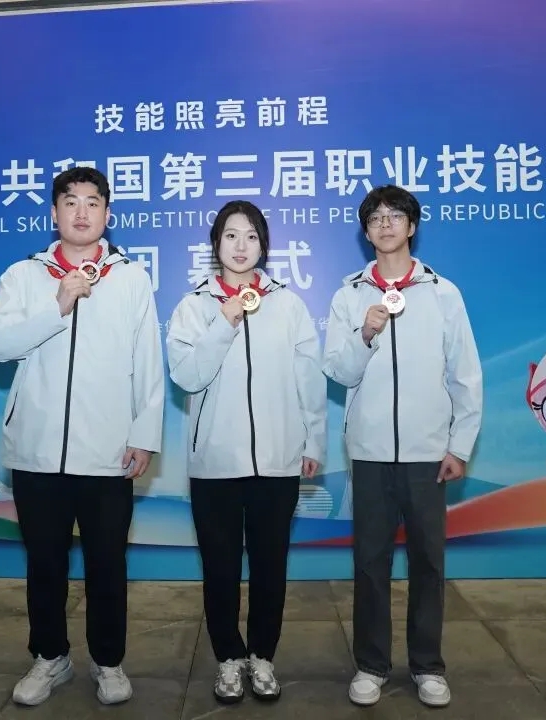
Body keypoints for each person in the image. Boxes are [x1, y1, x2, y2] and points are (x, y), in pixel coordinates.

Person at [0, 166, 165, 707]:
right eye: (70, 201)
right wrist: (56, 305)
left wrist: (144, 434)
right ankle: (50, 657)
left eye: (92, 202)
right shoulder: (23, 276)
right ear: (54, 212)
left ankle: (108, 661)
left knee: (108, 564)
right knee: (45, 563)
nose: (81, 212)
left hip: (108, 452)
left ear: (108, 213)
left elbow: (147, 362)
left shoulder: (130, 278)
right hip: (36, 451)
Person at [322, 185, 482, 709]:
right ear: (365, 232)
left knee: (428, 562)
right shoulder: (349, 295)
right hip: (370, 453)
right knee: (370, 563)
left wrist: (459, 444)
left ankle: (427, 666)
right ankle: (371, 665)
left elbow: (465, 374)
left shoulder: (443, 293)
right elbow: (337, 371)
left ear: (412, 226)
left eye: (395, 216)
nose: (385, 224)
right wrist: (364, 335)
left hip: (427, 452)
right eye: (375, 218)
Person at [166, 200, 327, 705]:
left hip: (277, 462)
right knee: (219, 569)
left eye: (251, 236)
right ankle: (228, 659)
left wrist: (313, 440)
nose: (241, 246)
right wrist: (225, 321)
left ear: (264, 245)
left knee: (269, 566)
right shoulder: (193, 307)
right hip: (214, 464)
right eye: (231, 235)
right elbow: (186, 376)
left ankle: (262, 657)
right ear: (216, 245)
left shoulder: (289, 305)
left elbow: (308, 380)